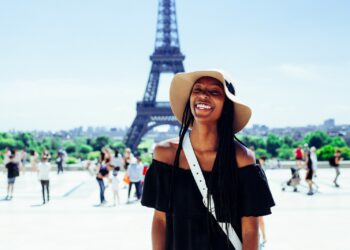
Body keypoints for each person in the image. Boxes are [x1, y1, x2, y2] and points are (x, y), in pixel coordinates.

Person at [141, 70, 275, 250]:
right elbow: (160, 220)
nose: (203, 95)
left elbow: (250, 229)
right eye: (197, 90)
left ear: (227, 105)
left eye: (214, 92)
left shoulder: (242, 159)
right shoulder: (165, 154)